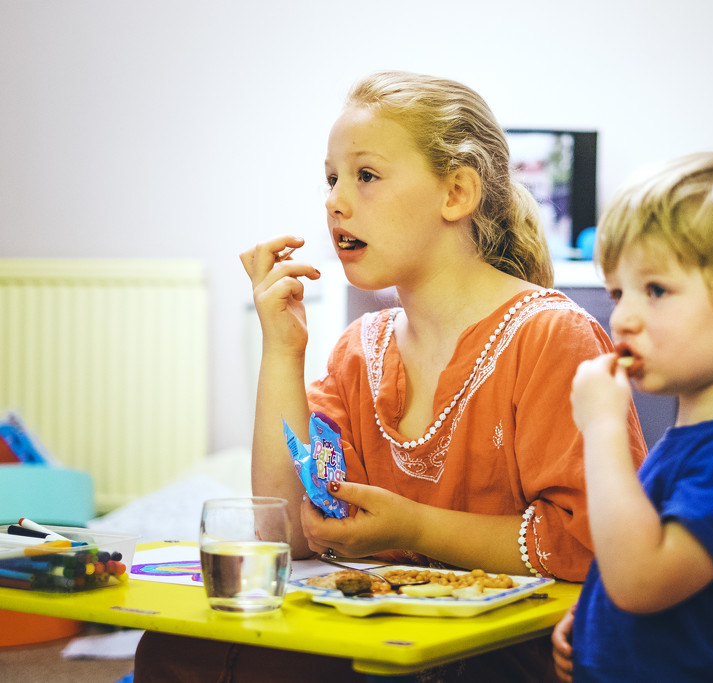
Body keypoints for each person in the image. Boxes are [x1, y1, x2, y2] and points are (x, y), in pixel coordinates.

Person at [134, 71, 645, 682]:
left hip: (498, 654)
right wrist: (282, 350)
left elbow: (588, 546)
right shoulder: (360, 348)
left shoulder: (551, 337)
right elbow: (290, 531)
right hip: (380, 635)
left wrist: (415, 527)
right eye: (331, 179)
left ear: (456, 193)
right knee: (174, 652)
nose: (334, 201)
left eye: (366, 176)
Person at [551, 153, 713, 682]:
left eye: (655, 291)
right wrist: (594, 617)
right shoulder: (697, 440)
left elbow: (643, 580)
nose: (622, 316)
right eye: (618, 293)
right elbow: (653, 576)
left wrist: (604, 429)